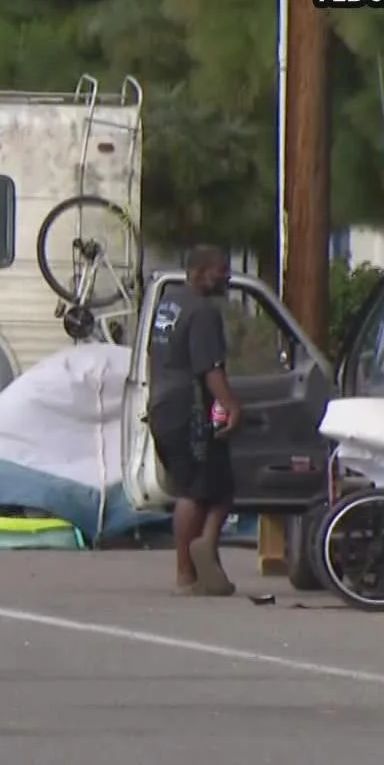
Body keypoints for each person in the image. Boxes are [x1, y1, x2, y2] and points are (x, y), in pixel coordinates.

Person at [147, 245, 242, 596]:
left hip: (162, 404)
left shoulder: (170, 303)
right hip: (188, 408)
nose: (226, 276)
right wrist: (232, 405)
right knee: (197, 490)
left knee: (213, 485)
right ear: (201, 272)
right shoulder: (202, 312)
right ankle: (189, 571)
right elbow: (209, 368)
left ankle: (203, 559)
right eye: (221, 269)